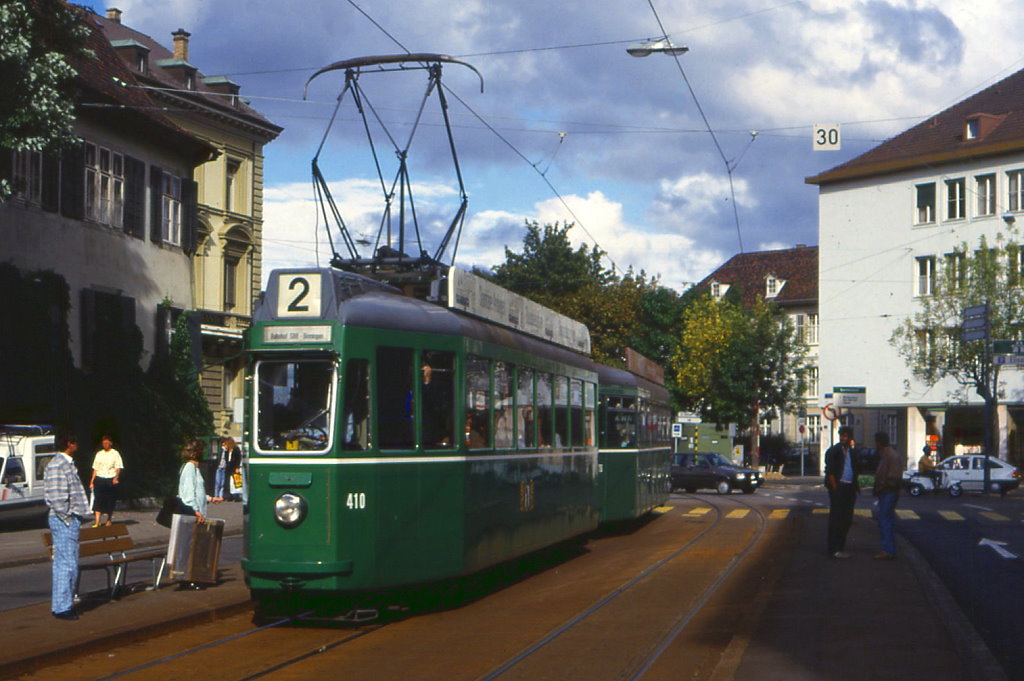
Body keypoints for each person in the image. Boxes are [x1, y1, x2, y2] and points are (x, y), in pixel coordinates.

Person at [43, 434, 91, 620]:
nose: (78, 444)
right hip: (64, 520)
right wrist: (68, 517)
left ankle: (62, 604)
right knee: (66, 564)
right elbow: (56, 497)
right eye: (76, 441)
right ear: (70, 443)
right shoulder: (58, 465)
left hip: (68, 519)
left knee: (66, 562)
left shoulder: (66, 464)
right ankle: (63, 607)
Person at [175, 439, 221, 590]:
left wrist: (210, 499)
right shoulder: (189, 467)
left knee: (195, 545)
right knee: (191, 546)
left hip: (197, 511)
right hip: (192, 513)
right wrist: (195, 511)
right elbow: (188, 493)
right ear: (197, 453)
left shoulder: (194, 468)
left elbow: (198, 491)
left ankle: (192, 578)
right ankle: (187, 580)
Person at [824, 425, 860, 559]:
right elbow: (830, 472)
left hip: (850, 488)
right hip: (838, 488)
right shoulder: (834, 451)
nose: (843, 438)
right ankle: (833, 549)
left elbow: (857, 468)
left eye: (846, 436)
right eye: (842, 436)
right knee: (836, 519)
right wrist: (835, 489)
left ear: (850, 437)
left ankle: (840, 547)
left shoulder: (852, 452)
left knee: (847, 519)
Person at [872, 432, 903, 560]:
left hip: (888, 492)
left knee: (885, 520)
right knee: (885, 519)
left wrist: (881, 486)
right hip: (887, 491)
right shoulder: (887, 454)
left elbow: (893, 477)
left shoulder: (890, 455)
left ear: (879, 442)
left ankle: (888, 550)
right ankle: (888, 548)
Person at [89, 434, 123, 527]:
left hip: (110, 479)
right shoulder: (99, 454)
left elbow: (118, 467)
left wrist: (116, 477)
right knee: (98, 499)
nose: (105, 445)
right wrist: (92, 481)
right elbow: (95, 469)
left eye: (107, 443)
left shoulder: (115, 454)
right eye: (103, 443)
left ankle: (109, 519)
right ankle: (97, 521)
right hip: (99, 478)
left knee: (109, 499)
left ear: (110, 443)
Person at [214, 437, 242, 501]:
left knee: (235, 481)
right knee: (227, 482)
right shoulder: (227, 450)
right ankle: (229, 496)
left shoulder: (236, 449)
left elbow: (238, 458)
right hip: (228, 466)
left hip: (234, 466)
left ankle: (236, 496)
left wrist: (237, 467)